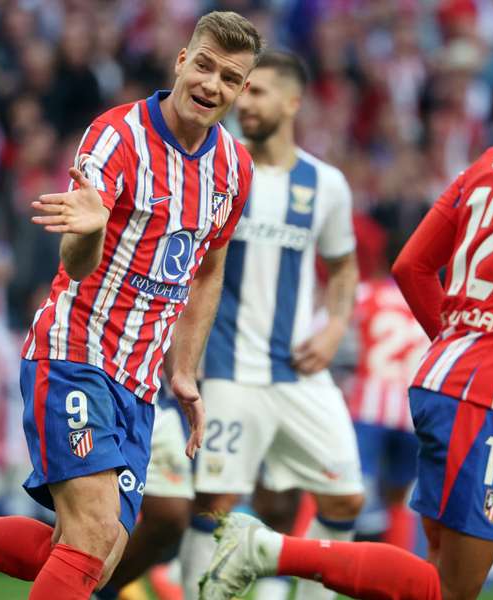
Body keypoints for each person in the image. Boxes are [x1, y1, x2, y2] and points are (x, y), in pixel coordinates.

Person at [199, 32, 493, 600]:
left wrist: (459, 343)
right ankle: (269, 549)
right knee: (447, 587)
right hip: (480, 396)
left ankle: (272, 548)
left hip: (481, 392)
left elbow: (412, 265)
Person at [0, 11, 262, 600]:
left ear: (242, 90)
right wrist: (90, 227)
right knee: (92, 537)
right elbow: (78, 261)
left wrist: (185, 369)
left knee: (91, 557)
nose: (211, 84)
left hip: (139, 385)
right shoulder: (118, 136)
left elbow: (208, 269)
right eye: (204, 65)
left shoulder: (233, 169)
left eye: (229, 76)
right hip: (74, 353)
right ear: (180, 62)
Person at [175, 50, 363, 600]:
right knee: (214, 506)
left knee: (346, 499)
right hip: (230, 371)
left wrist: (334, 326)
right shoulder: (217, 168)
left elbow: (344, 266)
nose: (244, 100)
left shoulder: (325, 184)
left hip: (298, 372)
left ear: (292, 102)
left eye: (258, 92)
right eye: (243, 90)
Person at [346, 228, 428, 549]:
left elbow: (324, 328)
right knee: (398, 498)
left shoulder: (368, 294)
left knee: (350, 487)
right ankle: (394, 571)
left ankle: (329, 564)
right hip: (412, 413)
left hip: (369, 407)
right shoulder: (433, 302)